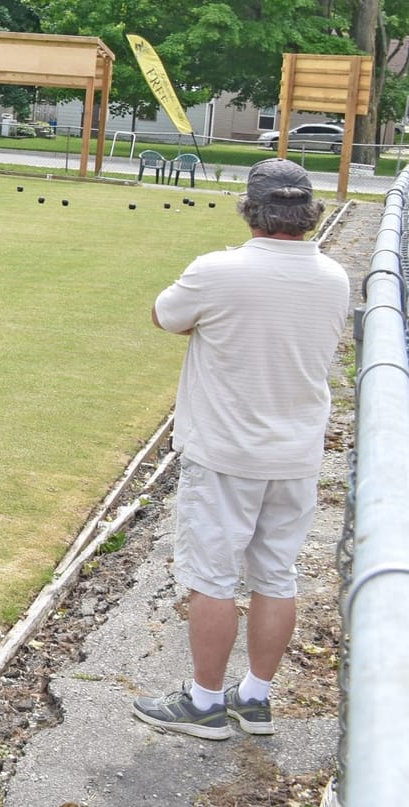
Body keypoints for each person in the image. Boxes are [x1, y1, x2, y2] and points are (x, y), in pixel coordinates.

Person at [129, 159, 350, 741]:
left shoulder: (217, 270)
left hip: (227, 451)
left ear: (251, 211)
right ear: (308, 214)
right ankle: (255, 698)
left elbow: (164, 316)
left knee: (214, 579)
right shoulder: (334, 277)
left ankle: (204, 703)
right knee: (277, 576)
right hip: (296, 451)